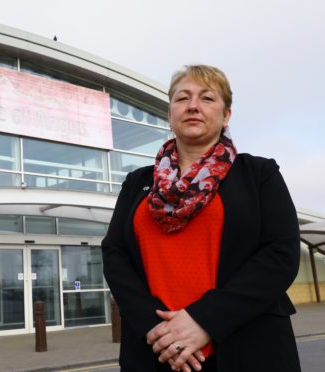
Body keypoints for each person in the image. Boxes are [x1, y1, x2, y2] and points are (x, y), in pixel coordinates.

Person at [102, 65, 301, 372]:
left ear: (226, 115)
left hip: (248, 346)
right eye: (182, 98)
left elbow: (280, 254)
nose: (193, 105)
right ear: (170, 113)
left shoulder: (259, 174)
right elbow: (115, 254)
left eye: (207, 98)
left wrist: (204, 320)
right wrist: (156, 328)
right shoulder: (136, 183)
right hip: (156, 349)